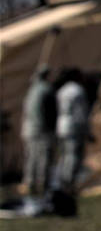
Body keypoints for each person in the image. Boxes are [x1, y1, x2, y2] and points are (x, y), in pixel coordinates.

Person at [21, 65, 57, 197]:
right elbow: (51, 113)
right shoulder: (46, 89)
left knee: (31, 158)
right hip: (42, 130)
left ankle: (30, 183)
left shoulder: (31, 91)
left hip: (29, 129)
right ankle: (43, 184)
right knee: (44, 159)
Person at [56, 68, 91, 195]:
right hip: (73, 127)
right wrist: (87, 131)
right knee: (73, 157)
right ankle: (68, 184)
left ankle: (63, 181)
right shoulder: (77, 90)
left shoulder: (62, 90)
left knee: (64, 156)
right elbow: (80, 113)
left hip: (62, 125)